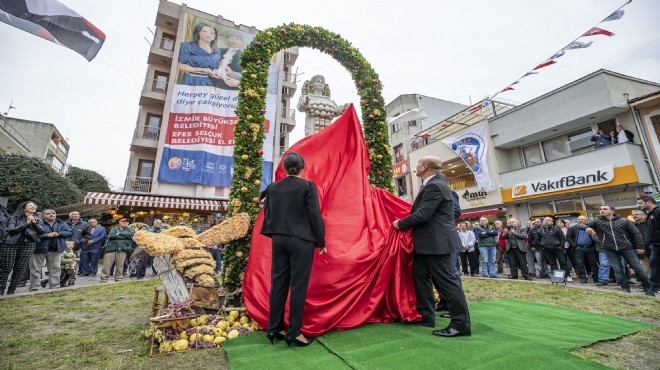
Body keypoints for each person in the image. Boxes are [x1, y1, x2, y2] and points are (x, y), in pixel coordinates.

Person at [393, 156, 471, 338]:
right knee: (420, 277)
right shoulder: (432, 185)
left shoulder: (435, 185)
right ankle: (426, 315)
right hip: (427, 244)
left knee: (447, 283)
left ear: (425, 167)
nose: (416, 167)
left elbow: (423, 214)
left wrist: (400, 223)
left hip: (437, 243)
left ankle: (461, 324)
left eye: (418, 164)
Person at [260, 152, 326, 347]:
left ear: (285, 168)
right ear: (303, 167)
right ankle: (294, 332)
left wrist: (277, 233)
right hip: (301, 241)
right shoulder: (307, 186)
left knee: (278, 283)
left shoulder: (273, 187)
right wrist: (321, 240)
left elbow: (267, 213)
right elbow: (315, 215)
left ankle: (274, 328)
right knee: (298, 285)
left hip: (278, 239)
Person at [582, 205, 654, 296]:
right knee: (618, 269)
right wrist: (586, 228)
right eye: (600, 209)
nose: (602, 211)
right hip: (609, 249)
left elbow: (636, 233)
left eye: (605, 209)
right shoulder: (597, 221)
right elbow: (582, 224)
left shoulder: (623, 221)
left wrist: (640, 246)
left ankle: (648, 288)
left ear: (612, 211)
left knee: (638, 268)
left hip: (627, 247)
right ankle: (625, 289)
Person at [0, 201, 44, 295]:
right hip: (10, 245)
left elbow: (41, 232)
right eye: (30, 205)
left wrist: (34, 223)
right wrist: (27, 223)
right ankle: (1, 290)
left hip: (28, 245)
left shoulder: (38, 219)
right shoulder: (14, 218)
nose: (33, 206)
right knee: (6, 268)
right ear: (24, 208)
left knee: (19, 269)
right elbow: (11, 231)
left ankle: (11, 290)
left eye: (34, 205)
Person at [30, 209, 72, 290]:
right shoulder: (38, 223)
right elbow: (33, 235)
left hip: (55, 249)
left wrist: (59, 234)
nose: (51, 215)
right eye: (48, 213)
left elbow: (69, 232)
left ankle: (55, 285)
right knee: (35, 268)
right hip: (39, 248)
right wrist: (47, 235)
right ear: (43, 215)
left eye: (53, 213)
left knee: (56, 268)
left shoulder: (61, 223)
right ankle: (35, 287)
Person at [177, 23, 224, 87]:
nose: (208, 34)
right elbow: (180, 66)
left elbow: (217, 68)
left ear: (214, 37)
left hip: (209, 84)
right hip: (191, 81)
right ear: (198, 32)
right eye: (205, 31)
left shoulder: (217, 51)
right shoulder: (187, 46)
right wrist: (203, 70)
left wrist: (222, 67)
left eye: (212, 33)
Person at [636, 196, 660, 293]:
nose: (639, 205)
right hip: (654, 245)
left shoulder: (658, 212)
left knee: (654, 265)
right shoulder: (650, 214)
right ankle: (654, 286)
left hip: (658, 244)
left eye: (640, 203)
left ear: (648, 202)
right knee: (654, 264)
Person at [100, 218, 135, 283]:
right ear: (119, 222)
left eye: (127, 221)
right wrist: (125, 237)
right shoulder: (113, 229)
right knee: (106, 265)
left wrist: (119, 234)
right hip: (111, 249)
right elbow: (111, 236)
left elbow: (130, 235)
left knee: (120, 265)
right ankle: (103, 278)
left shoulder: (130, 230)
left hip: (122, 249)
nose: (125, 222)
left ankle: (118, 278)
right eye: (123, 221)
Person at [566, 216, 599, 284]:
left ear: (586, 220)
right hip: (579, 248)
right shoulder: (572, 228)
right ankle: (583, 277)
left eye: (582, 219)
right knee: (580, 264)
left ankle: (596, 278)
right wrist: (575, 246)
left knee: (594, 264)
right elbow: (568, 238)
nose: (580, 220)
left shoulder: (591, 228)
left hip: (591, 248)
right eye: (579, 219)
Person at [66, 211, 91, 285]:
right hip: (64, 246)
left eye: (77, 214)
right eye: (74, 214)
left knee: (73, 263)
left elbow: (88, 235)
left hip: (76, 247)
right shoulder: (65, 224)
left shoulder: (84, 224)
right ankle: (63, 277)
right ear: (70, 216)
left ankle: (72, 278)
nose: (76, 216)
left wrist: (80, 241)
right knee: (63, 263)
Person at [630, 210, 651, 278]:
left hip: (652, 246)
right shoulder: (632, 226)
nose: (634, 216)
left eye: (637, 214)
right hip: (640, 249)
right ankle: (647, 281)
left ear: (643, 215)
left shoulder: (649, 223)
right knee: (644, 265)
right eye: (633, 215)